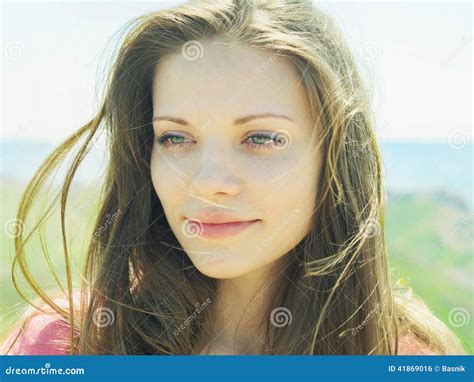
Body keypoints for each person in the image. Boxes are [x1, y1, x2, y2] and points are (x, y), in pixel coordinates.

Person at [2, 0, 466, 355]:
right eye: (175, 139)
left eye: (261, 138)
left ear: (337, 157)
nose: (207, 183)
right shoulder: (64, 343)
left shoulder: (405, 359)